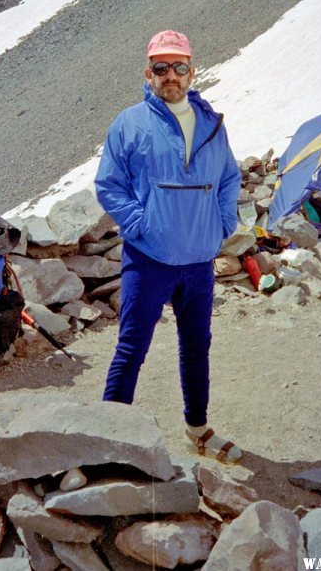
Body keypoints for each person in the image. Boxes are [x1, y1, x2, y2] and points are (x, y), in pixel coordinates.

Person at [95, 29, 242, 463]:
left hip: (199, 259)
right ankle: (104, 440)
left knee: (197, 344)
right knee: (131, 346)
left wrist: (222, 223)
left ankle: (197, 428)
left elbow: (229, 178)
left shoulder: (213, 125)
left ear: (193, 71)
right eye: (161, 68)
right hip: (149, 258)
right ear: (149, 73)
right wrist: (141, 224)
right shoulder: (130, 123)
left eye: (179, 67)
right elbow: (110, 184)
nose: (171, 76)